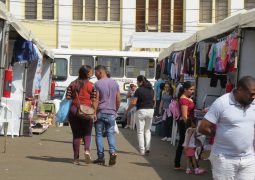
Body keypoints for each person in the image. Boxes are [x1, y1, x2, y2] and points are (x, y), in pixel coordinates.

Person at [198, 76, 255, 180]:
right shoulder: (222, 103)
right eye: (251, 94)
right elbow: (203, 127)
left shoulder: (253, 104)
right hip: (224, 159)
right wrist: (220, 134)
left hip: (248, 160)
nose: (253, 97)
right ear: (240, 90)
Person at [66, 65, 97, 165]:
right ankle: (87, 150)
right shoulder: (92, 85)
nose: (92, 73)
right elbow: (94, 100)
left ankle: (76, 159)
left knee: (76, 135)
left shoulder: (72, 84)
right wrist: (94, 112)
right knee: (87, 133)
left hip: (74, 110)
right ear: (87, 74)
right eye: (91, 72)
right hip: (87, 111)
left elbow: (67, 97)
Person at [93, 65, 120, 166]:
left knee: (99, 134)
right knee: (110, 133)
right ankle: (113, 152)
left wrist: (94, 113)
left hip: (101, 111)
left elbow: (96, 100)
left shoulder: (97, 84)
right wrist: (115, 110)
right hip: (111, 112)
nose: (95, 75)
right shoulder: (115, 83)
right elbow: (118, 99)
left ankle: (101, 157)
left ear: (100, 72)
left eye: (96, 73)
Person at [126, 75, 154, 155]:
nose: (137, 83)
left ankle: (142, 150)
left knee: (140, 131)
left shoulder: (139, 90)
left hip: (141, 110)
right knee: (148, 130)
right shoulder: (151, 90)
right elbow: (154, 100)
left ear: (141, 81)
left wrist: (127, 110)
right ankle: (148, 148)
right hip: (150, 110)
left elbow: (134, 102)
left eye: (137, 81)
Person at [174, 81, 196, 169]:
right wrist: (189, 127)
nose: (193, 91)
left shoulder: (187, 98)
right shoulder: (183, 99)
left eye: (194, 89)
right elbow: (184, 116)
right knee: (185, 143)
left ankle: (180, 164)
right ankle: (179, 164)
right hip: (185, 123)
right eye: (191, 89)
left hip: (187, 123)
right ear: (185, 89)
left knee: (186, 143)